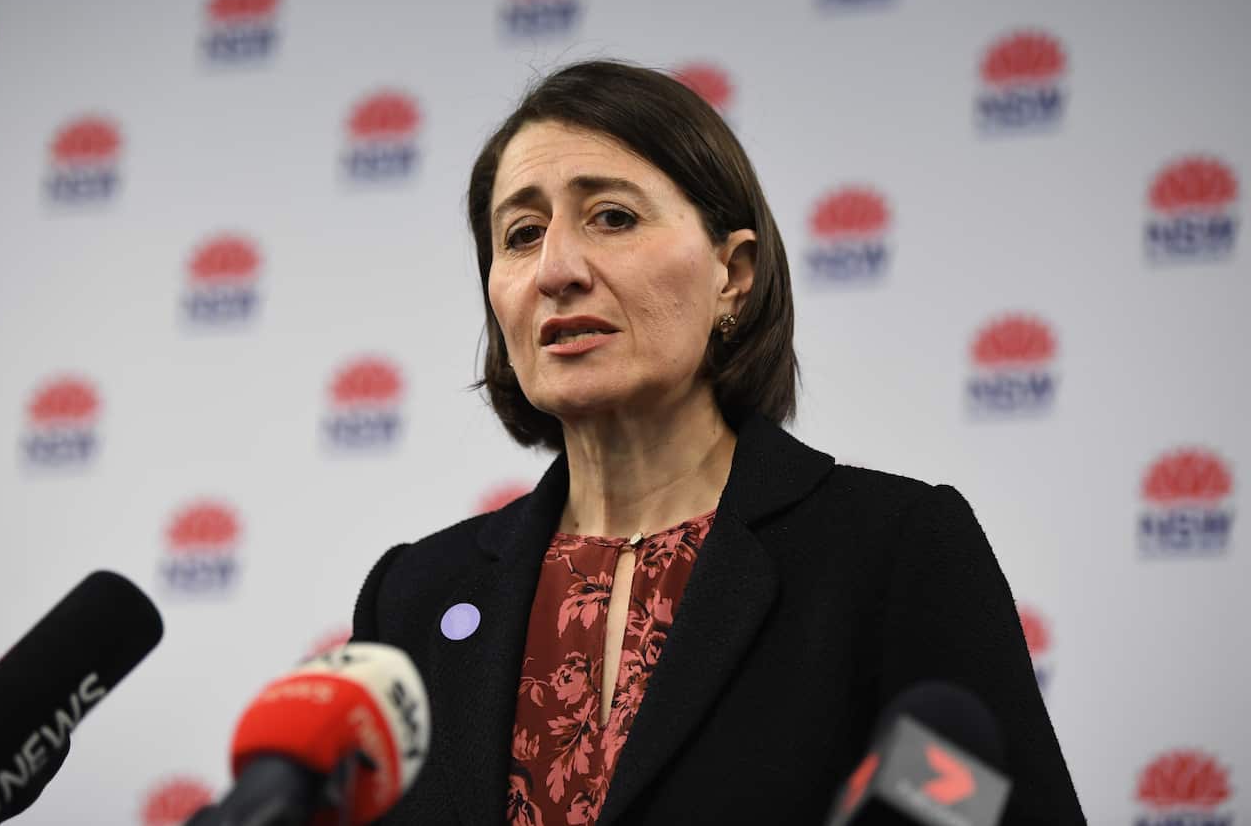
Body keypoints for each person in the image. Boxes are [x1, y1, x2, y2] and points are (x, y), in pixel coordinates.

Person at [353, 60, 1085, 825]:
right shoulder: (413, 599)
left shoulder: (893, 551)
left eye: (612, 217)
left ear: (733, 274)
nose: (556, 270)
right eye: (522, 233)